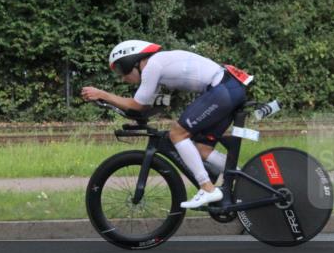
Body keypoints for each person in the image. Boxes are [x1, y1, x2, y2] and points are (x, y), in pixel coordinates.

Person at [80, 40, 252, 208]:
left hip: (222, 89)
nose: (123, 78)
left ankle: (207, 188)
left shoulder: (152, 67)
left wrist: (103, 94)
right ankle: (250, 180)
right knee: (202, 148)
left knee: (177, 134)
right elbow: (145, 106)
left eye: (121, 70)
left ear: (130, 62)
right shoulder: (158, 66)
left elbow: (137, 104)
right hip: (227, 88)